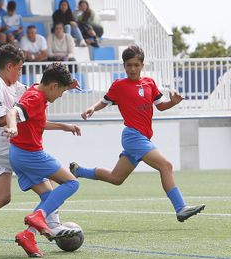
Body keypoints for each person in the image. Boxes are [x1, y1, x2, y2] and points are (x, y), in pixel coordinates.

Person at [0, 45, 76, 256]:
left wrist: (65, 86)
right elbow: (3, 118)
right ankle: (51, 224)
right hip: (5, 147)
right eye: (19, 68)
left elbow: (35, 97)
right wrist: (14, 124)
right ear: (9, 66)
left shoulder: (14, 85)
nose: (20, 73)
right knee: (49, 189)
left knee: (3, 196)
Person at [75, 45, 205, 222]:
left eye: (136, 65)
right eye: (128, 65)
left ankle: (79, 171)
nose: (132, 69)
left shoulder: (150, 83)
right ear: (124, 66)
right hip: (132, 136)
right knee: (165, 166)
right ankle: (180, 208)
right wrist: (92, 108)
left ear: (142, 65)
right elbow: (104, 101)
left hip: (142, 138)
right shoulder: (119, 85)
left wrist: (173, 103)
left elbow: (160, 105)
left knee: (116, 178)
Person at [3, 62, 82, 257]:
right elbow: (12, 112)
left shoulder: (35, 90)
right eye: (61, 92)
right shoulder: (37, 98)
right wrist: (12, 127)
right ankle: (38, 216)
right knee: (72, 183)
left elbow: (37, 121)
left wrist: (64, 126)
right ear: (54, 86)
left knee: (49, 197)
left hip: (17, 155)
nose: (60, 96)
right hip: (31, 155)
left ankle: (27, 235)